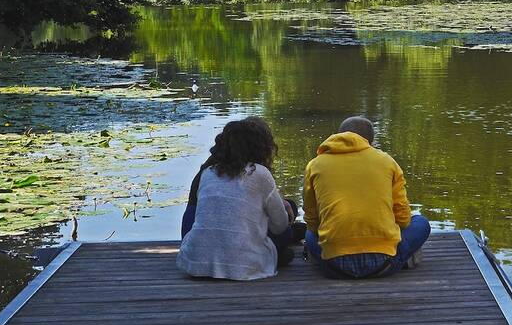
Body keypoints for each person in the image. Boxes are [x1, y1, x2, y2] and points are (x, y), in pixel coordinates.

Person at [303, 115, 431, 279]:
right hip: (383, 264)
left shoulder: (315, 165)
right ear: (369, 142)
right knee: (421, 223)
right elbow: (403, 219)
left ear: (339, 136)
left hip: (334, 266)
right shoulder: (387, 162)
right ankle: (404, 258)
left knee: (309, 234)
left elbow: (312, 220)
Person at [177, 116, 295, 280]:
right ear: (260, 147)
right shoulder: (260, 172)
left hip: (195, 262)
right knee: (287, 231)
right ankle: (267, 254)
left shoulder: (207, 172)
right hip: (243, 266)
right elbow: (280, 227)